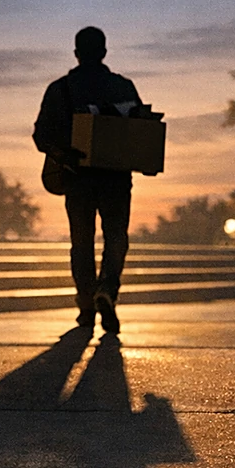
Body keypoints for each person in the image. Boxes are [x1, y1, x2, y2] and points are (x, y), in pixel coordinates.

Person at [32, 26, 142, 333]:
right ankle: (107, 291)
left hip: (77, 178)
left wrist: (63, 155)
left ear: (77, 54)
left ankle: (85, 305)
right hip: (116, 178)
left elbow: (41, 136)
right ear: (104, 52)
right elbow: (139, 131)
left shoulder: (61, 89)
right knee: (116, 237)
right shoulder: (123, 87)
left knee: (81, 243)